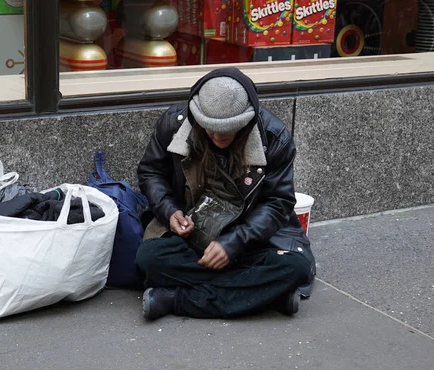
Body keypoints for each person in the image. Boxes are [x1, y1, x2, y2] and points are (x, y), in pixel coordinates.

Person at [135, 67, 315, 320]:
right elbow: (151, 172)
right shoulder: (174, 123)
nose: (219, 136)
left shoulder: (274, 138)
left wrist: (235, 242)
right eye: (210, 128)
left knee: (295, 267)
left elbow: (278, 202)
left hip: (250, 238)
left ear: (247, 120)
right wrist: (169, 211)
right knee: (149, 259)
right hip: (191, 232)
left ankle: (176, 300)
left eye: (230, 129)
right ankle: (266, 295)